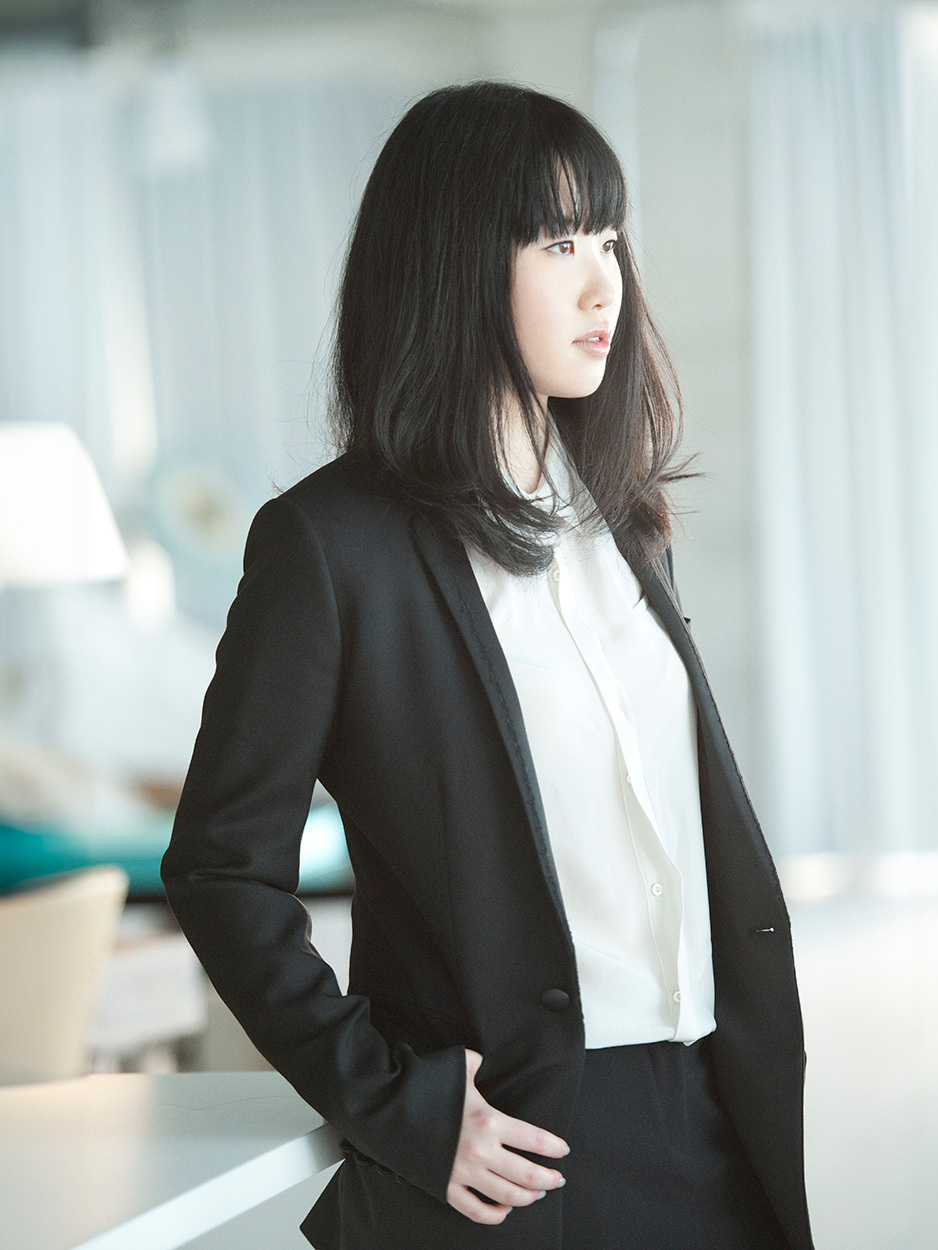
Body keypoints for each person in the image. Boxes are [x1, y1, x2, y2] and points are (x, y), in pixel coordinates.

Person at [160, 81, 814, 1250]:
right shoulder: (331, 545)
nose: (602, 280)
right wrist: (392, 1096)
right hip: (520, 1152)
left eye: (608, 238)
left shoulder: (625, 521)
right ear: (457, 260)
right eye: (559, 241)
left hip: (713, 1111)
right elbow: (221, 867)